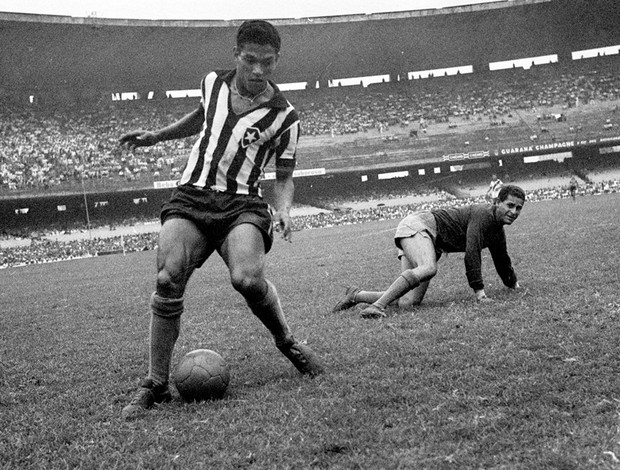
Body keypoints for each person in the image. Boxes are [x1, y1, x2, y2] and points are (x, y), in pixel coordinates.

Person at [119, 20, 323, 420]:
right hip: (191, 195)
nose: (258, 70)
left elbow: (284, 178)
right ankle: (155, 383)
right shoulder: (212, 82)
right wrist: (157, 136)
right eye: (250, 60)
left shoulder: (285, 117)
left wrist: (283, 209)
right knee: (167, 278)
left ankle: (287, 341)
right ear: (236, 56)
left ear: (277, 61)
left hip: (242, 204)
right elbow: (202, 116)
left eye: (267, 62)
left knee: (246, 279)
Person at [333, 185, 526, 319]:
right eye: (510, 205)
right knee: (428, 267)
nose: (514, 212)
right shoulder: (483, 214)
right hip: (419, 225)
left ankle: (356, 296)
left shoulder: (497, 230)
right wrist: (480, 294)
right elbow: (472, 253)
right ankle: (376, 307)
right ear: (497, 202)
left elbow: (502, 259)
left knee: (408, 302)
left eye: (519, 208)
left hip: (430, 240)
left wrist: (514, 285)